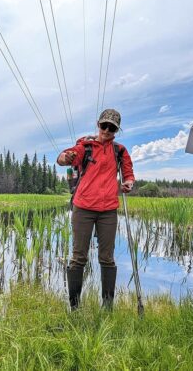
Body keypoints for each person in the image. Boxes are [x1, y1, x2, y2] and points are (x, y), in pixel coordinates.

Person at [56, 109, 135, 310]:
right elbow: (66, 157)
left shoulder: (120, 151)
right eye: (104, 125)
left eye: (112, 127)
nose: (107, 130)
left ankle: (107, 308)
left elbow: (128, 172)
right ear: (98, 124)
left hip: (108, 209)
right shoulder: (86, 146)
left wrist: (128, 182)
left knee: (107, 258)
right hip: (83, 207)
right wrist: (65, 157)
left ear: (117, 130)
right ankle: (75, 308)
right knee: (78, 256)